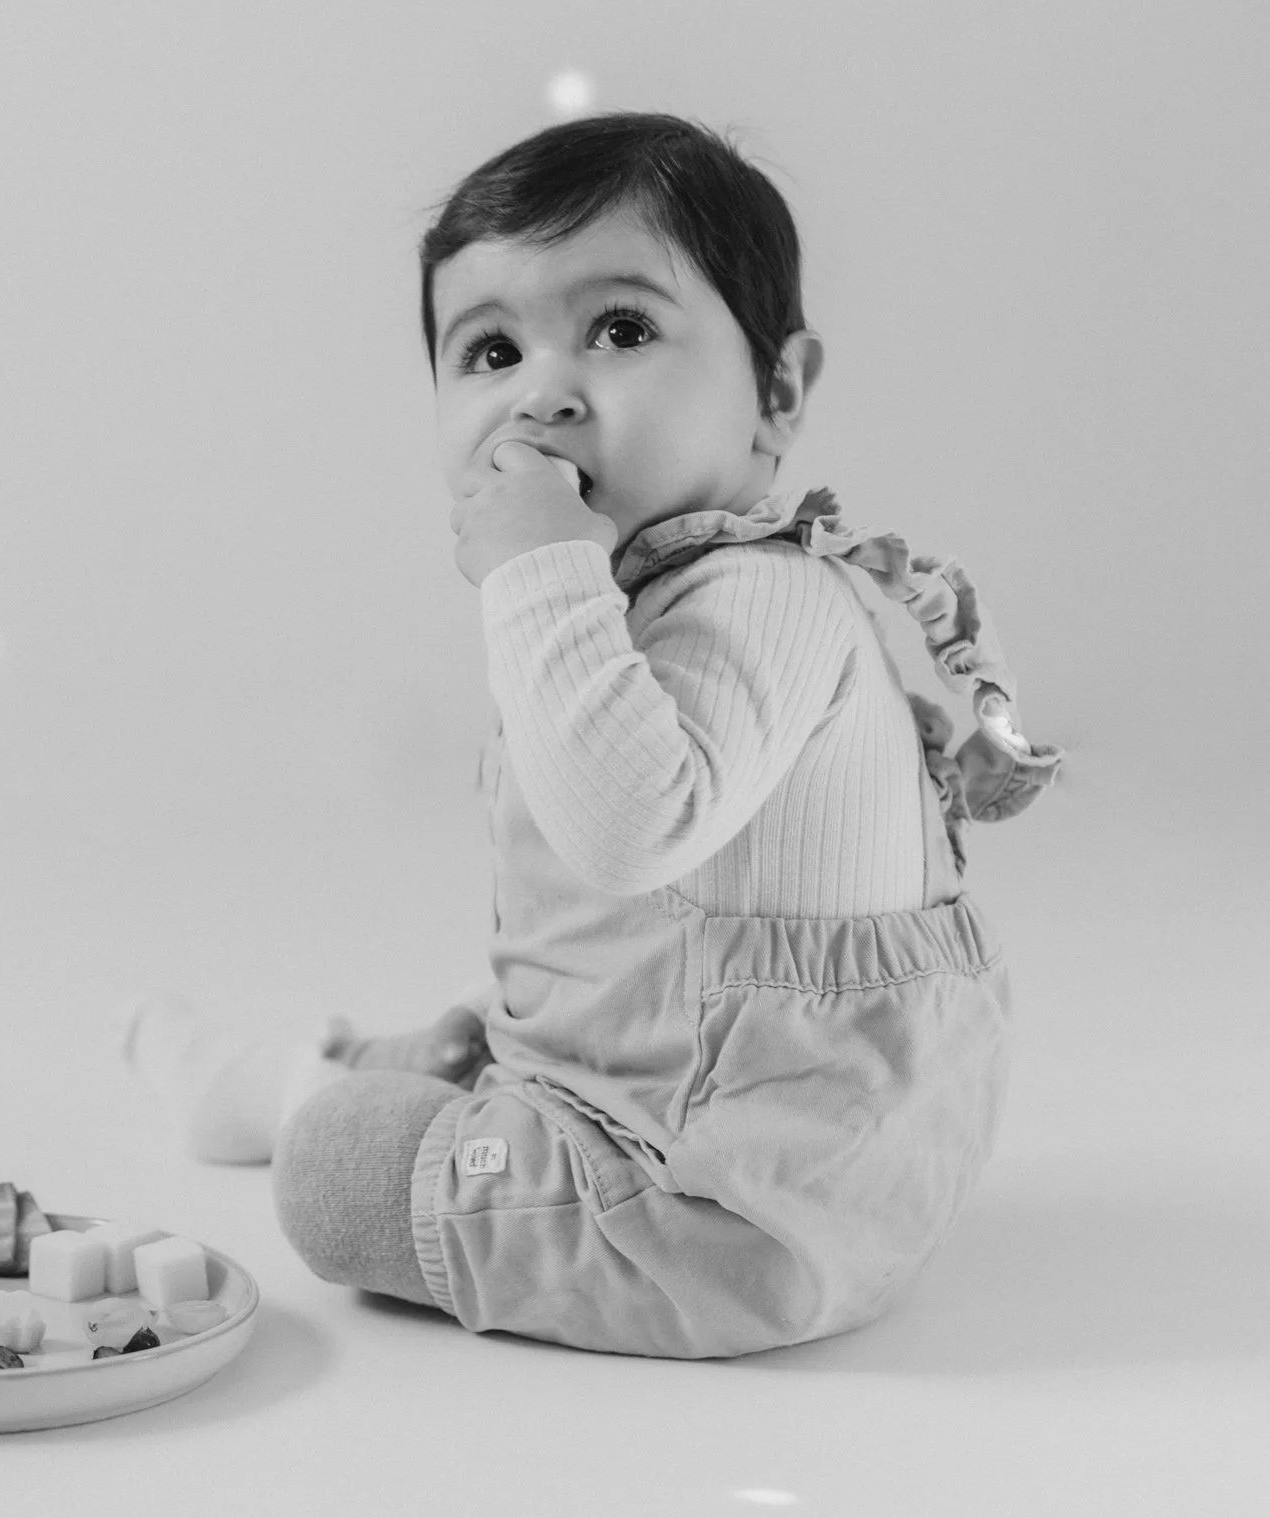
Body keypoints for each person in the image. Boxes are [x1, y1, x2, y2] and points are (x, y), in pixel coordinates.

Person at [122, 111, 1062, 1359]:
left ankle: (302, 1104)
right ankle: (302, 1075)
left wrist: (538, 568)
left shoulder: (761, 597)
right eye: (491, 349)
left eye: (620, 331)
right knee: (490, 1024)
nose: (544, 393)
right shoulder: (654, 594)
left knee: (336, 1177)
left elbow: (628, 830)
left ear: (775, 394)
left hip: (731, 1206)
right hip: (680, 1078)